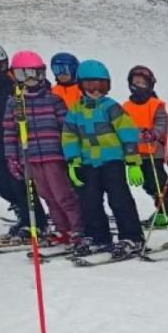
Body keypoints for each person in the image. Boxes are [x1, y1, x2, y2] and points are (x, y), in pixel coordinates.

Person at [61, 58, 145, 257]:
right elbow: (69, 136)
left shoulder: (111, 107)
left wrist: (133, 161)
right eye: (91, 84)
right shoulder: (75, 111)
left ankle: (132, 237)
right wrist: (73, 161)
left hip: (111, 162)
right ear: (81, 84)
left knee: (119, 199)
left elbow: (128, 133)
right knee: (89, 201)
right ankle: (98, 237)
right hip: (88, 164)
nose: (96, 90)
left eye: (101, 85)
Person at [3, 50, 81, 243]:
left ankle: (78, 228)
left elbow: (66, 128)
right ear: (15, 76)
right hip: (29, 158)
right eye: (23, 74)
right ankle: (62, 229)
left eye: (33, 73)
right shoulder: (15, 103)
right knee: (47, 195)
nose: (29, 79)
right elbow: (10, 133)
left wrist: (71, 152)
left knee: (63, 194)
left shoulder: (53, 99)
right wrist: (12, 157)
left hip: (52, 154)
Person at [0, 40, 48, 237]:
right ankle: (22, 213)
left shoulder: (13, 84)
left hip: (16, 144)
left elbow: (37, 92)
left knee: (21, 183)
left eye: (2, 64)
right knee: (3, 185)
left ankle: (36, 220)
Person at [123, 65, 168, 228]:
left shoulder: (155, 104)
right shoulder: (126, 107)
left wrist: (153, 133)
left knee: (158, 181)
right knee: (147, 183)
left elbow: (162, 122)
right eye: (135, 82)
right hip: (136, 152)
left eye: (142, 83)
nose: (137, 86)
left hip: (153, 152)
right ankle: (161, 209)